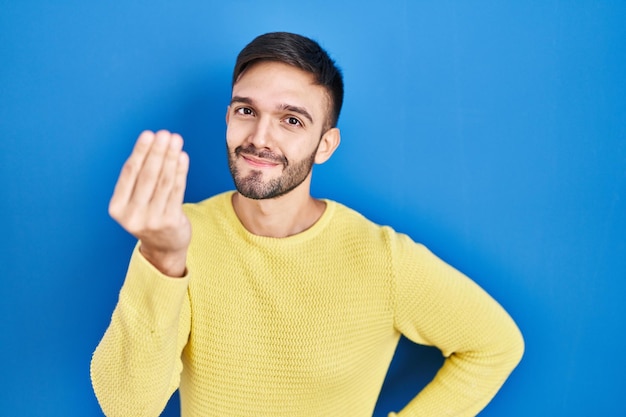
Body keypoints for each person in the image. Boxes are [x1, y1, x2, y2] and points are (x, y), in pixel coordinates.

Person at [91, 32, 524, 417]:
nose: (261, 137)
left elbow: (496, 345)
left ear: (325, 145)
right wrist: (162, 257)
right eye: (246, 110)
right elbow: (127, 409)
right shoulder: (174, 236)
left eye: (291, 120)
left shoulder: (381, 257)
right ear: (228, 118)